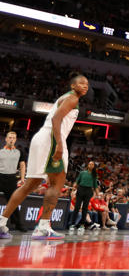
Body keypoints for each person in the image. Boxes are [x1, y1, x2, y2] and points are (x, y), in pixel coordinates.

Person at [0, 73, 88, 240]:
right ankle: (43, 227)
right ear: (72, 86)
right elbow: (56, 119)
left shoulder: (65, 97)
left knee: (29, 185)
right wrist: (61, 146)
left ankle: (1, 223)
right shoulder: (72, 98)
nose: (85, 86)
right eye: (82, 83)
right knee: (57, 183)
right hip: (52, 140)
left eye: (87, 85)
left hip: (40, 138)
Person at [0, 131, 26, 232]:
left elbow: (22, 165)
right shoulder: (0, 152)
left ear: (15, 140)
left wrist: (23, 178)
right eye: (10, 137)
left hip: (11, 179)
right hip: (0, 176)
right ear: (6, 139)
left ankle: (18, 224)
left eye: (13, 138)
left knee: (13, 202)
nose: (11, 140)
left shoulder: (19, 152)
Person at [71, 160, 98, 233]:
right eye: (89, 164)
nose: (90, 165)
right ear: (88, 165)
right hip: (81, 189)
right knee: (76, 207)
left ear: (94, 166)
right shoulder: (82, 173)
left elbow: (95, 186)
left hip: (89, 191)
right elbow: (77, 181)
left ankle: (82, 224)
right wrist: (74, 186)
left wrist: (97, 194)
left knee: (85, 208)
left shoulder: (94, 175)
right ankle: (72, 224)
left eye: (92, 164)